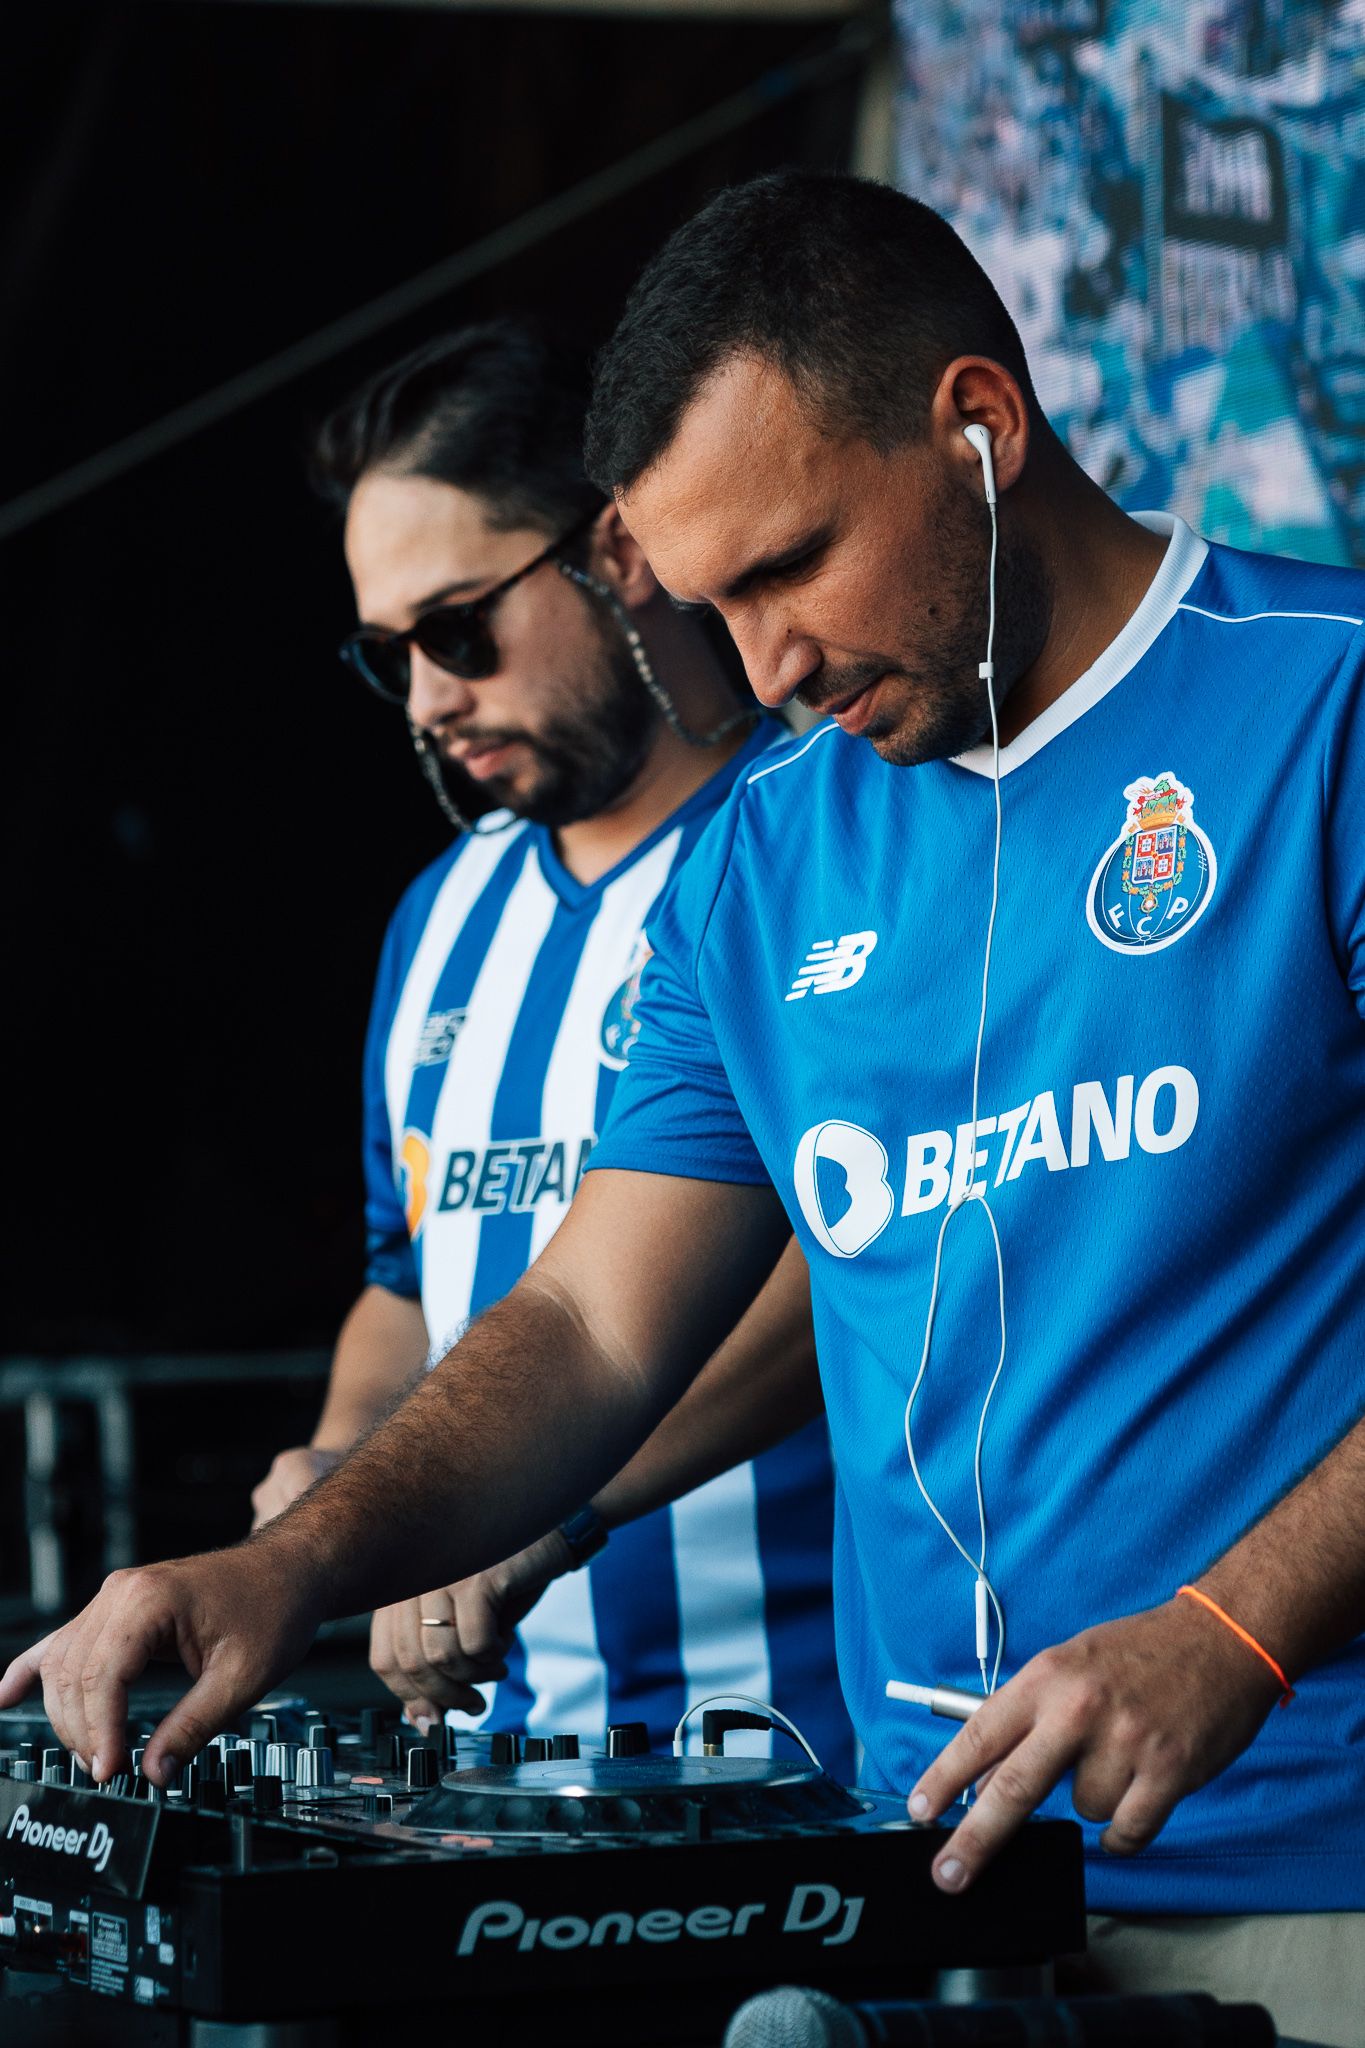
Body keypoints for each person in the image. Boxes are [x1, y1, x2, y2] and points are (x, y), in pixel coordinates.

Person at [7, 176, 1364, 2045]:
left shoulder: (1332, 708)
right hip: (935, 1872)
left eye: (793, 562)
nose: (766, 666)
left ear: (979, 424)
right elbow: (585, 1319)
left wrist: (1232, 1626)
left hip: (1312, 1864)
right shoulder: (769, 847)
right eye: (712, 602)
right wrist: (292, 1561)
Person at [231, 320, 850, 1765]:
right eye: (388, 657)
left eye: (460, 627)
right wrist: (342, 1475)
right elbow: (408, 1279)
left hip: (813, 1751)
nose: (431, 699)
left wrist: (538, 1502)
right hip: (508, 1767)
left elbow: (865, 1255)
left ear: (612, 548)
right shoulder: (438, 917)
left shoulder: (827, 839)